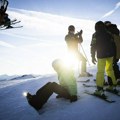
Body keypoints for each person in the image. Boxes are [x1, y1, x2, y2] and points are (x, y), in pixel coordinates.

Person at [91, 21, 117, 96]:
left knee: (100, 72)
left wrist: (93, 56)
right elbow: (113, 44)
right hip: (110, 54)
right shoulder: (109, 33)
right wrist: (114, 55)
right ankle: (113, 86)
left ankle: (100, 90)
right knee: (110, 70)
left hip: (101, 55)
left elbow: (93, 46)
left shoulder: (95, 34)